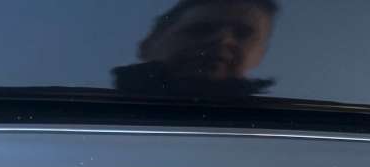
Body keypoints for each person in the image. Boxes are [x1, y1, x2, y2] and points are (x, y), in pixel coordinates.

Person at [113, 0, 277, 96]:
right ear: (147, 45)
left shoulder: (274, 119)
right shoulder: (104, 108)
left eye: (242, 34)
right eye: (201, 29)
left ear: (260, 54)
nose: (223, 40)